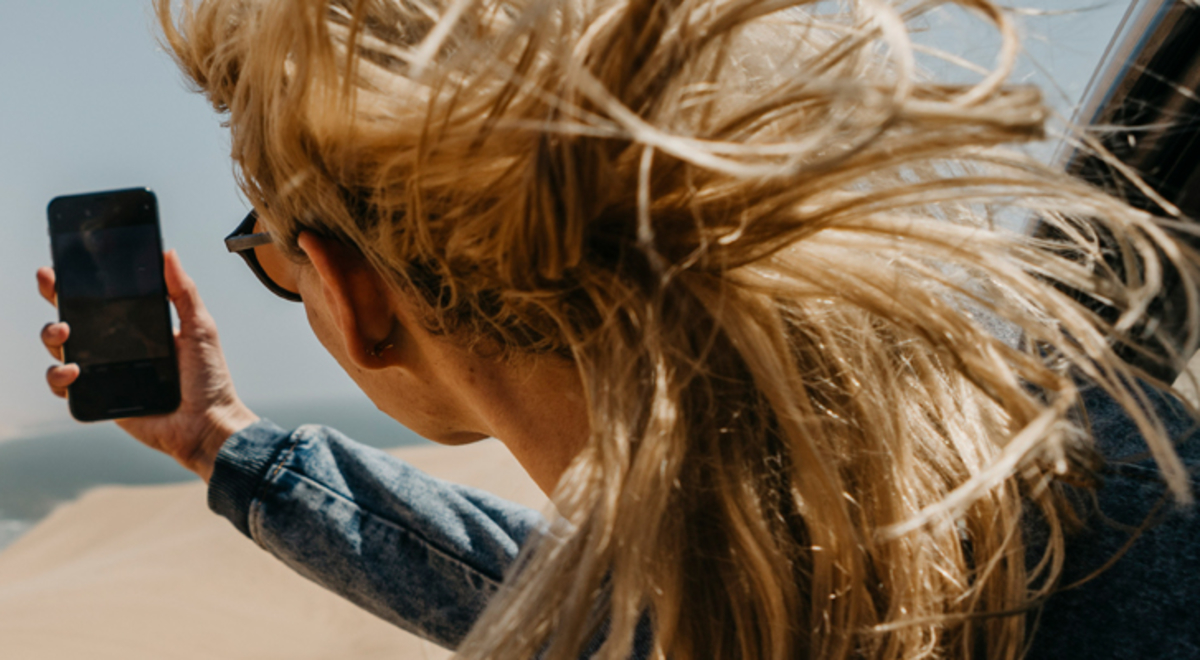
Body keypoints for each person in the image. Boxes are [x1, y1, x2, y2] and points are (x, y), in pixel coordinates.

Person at [36, 0, 1199, 657]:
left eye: (270, 256)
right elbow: (585, 601)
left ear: (354, 295)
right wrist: (221, 439)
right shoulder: (1076, 454)